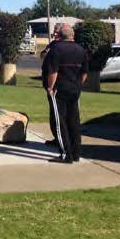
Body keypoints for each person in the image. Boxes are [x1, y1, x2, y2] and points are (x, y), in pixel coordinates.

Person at [43, 23, 89, 163]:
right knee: (73, 121)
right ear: (72, 36)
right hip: (75, 89)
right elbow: (85, 72)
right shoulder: (81, 50)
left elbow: (53, 71)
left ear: (60, 35)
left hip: (60, 89)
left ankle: (66, 155)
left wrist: (50, 87)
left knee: (59, 122)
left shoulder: (56, 49)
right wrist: (79, 84)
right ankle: (76, 153)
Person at [40, 22, 64, 143]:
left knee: (59, 113)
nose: (54, 33)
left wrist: (51, 86)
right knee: (53, 113)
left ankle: (61, 139)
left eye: (56, 31)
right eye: (54, 30)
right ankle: (56, 137)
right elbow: (42, 54)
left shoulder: (62, 46)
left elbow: (55, 69)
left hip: (56, 85)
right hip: (48, 82)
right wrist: (45, 54)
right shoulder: (52, 44)